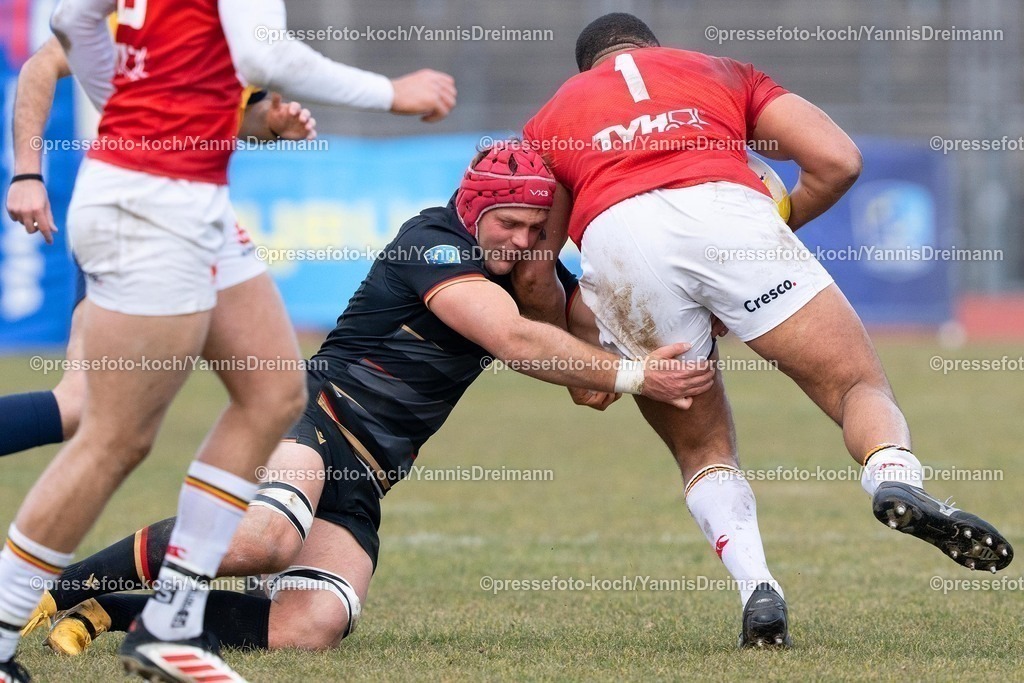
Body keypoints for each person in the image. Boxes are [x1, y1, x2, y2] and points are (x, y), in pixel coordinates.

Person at [20, 144, 715, 659]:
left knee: (310, 626)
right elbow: (512, 339)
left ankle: (109, 608)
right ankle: (47, 587)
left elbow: (589, 387)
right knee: (269, 540)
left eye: (537, 229)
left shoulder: (528, 269)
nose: (521, 240)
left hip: (367, 472)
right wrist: (636, 375)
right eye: (510, 224)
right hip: (318, 416)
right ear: (476, 208)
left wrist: (573, 284)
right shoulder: (433, 242)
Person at [516, 13, 1013, 648]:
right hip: (730, 212)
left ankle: (758, 589)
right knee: (857, 384)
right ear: (652, 49)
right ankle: (893, 476)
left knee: (701, 450)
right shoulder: (716, 70)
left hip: (619, 242)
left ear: (585, 70)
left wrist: (574, 364)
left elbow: (535, 271)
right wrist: (777, 222)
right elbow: (838, 160)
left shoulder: (551, 117)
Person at [0, 0, 458, 679]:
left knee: (273, 393)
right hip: (151, 201)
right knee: (110, 433)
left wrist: (144, 110)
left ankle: (172, 618)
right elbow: (266, 56)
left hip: (188, 198)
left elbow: (73, 18)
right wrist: (393, 93)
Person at [2, 36, 315, 459]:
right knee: (99, 417)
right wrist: (26, 175)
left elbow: (239, 117)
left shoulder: (235, 23)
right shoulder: (145, 10)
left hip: (199, 217)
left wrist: (272, 123)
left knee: (274, 396)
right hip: (130, 209)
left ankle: (212, 526)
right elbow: (42, 64)